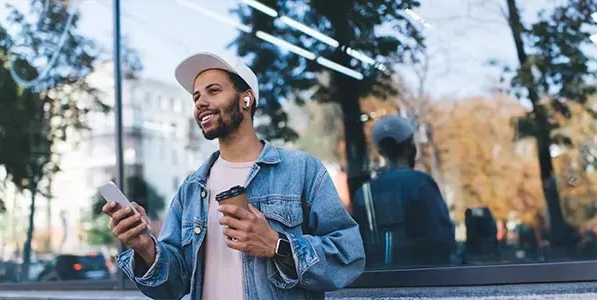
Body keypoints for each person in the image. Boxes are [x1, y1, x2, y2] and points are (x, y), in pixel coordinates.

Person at [102, 52, 364, 300]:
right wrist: (145, 247)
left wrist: (277, 245)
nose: (200, 103)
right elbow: (173, 286)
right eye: (196, 97)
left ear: (246, 99)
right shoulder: (192, 188)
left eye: (213, 91)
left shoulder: (302, 170)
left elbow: (349, 256)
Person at [353, 115, 454, 268]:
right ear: (409, 147)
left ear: (381, 151)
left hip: (376, 281)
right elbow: (443, 239)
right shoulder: (421, 184)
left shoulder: (363, 193)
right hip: (422, 279)